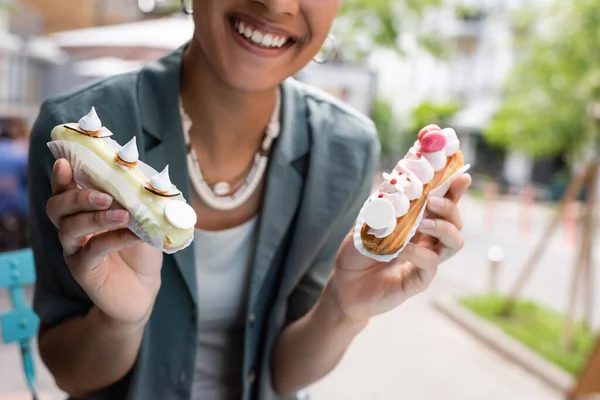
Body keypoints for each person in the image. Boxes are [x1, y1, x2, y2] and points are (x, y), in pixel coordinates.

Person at [27, 1, 471, 399]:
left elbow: (284, 375)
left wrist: (342, 306)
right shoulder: (77, 133)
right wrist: (120, 321)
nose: (276, 4)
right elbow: (71, 376)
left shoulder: (346, 148)